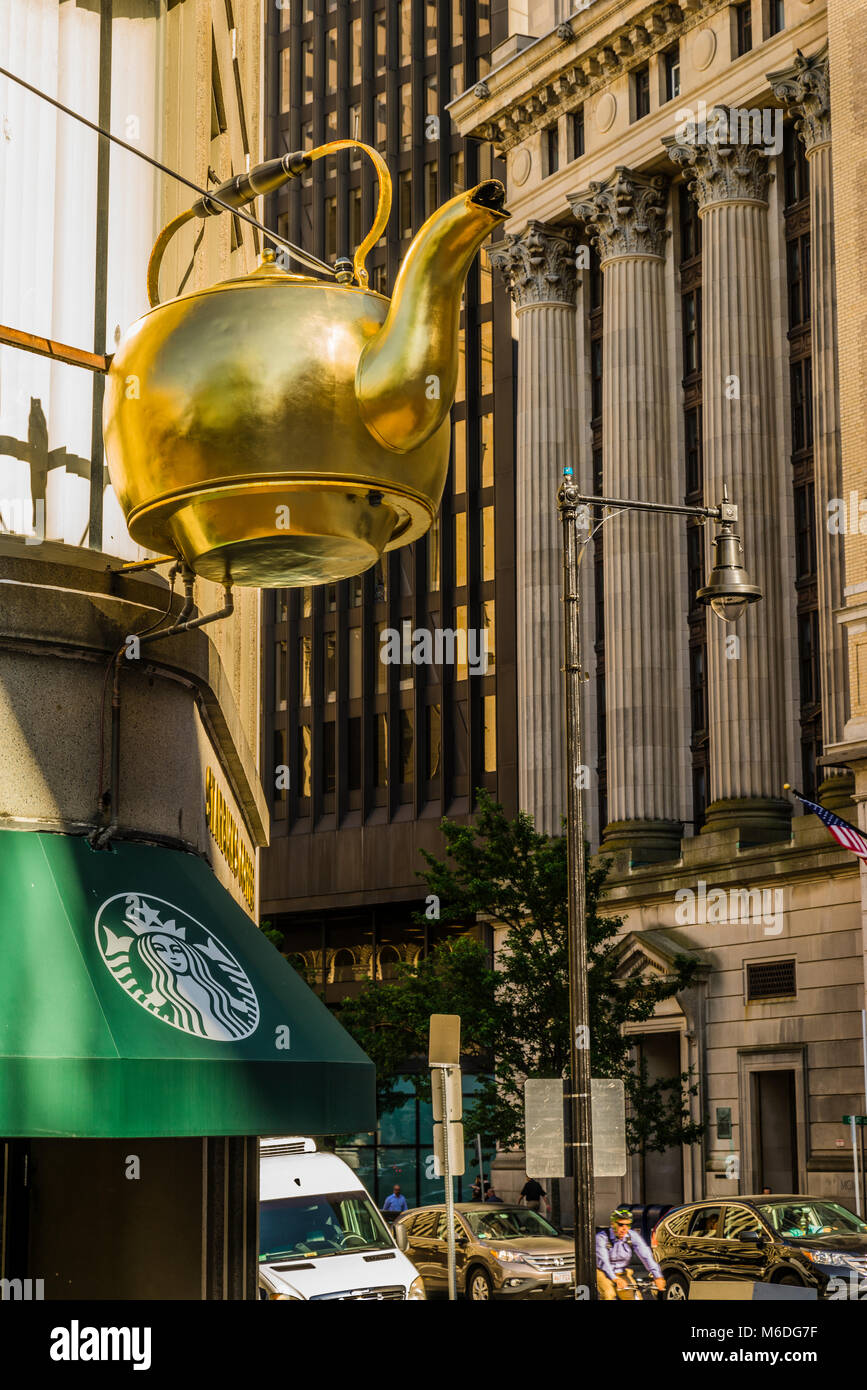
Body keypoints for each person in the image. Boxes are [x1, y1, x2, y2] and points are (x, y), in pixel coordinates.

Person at [595, 1207, 666, 1301]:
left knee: (634, 1296)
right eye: (621, 1225)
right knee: (608, 1294)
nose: (624, 1229)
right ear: (613, 1224)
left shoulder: (632, 1236)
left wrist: (657, 1276)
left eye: (628, 1225)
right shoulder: (602, 1237)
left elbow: (646, 1256)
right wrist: (615, 1279)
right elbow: (604, 1262)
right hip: (603, 1273)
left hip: (622, 1272)